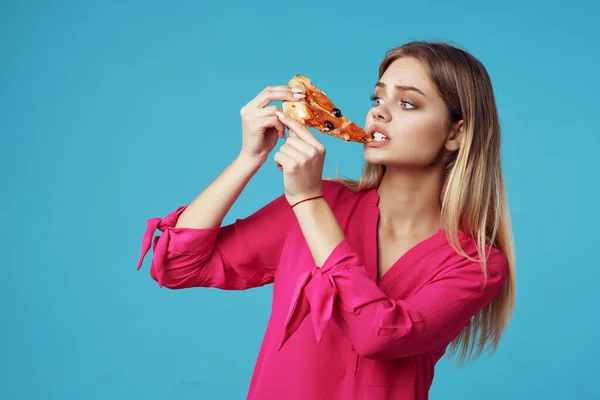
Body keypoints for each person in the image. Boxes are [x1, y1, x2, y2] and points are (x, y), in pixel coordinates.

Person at [137, 41, 516, 400]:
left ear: (456, 133)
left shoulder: (476, 265)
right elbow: (175, 265)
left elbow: (378, 335)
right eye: (378, 97)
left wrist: (306, 198)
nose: (378, 112)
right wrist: (248, 158)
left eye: (407, 103)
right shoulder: (326, 203)